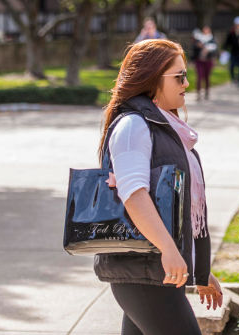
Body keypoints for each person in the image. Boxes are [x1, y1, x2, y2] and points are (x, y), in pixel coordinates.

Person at [96, 39, 222, 335]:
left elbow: (173, 208)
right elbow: (133, 194)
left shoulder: (160, 125)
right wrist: (168, 249)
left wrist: (198, 268)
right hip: (145, 272)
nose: (187, 84)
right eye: (179, 76)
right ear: (152, 78)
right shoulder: (133, 126)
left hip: (155, 271)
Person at [192, 26, 218, 101]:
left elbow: (215, 50)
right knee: (199, 77)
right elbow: (194, 48)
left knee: (207, 77)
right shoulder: (198, 38)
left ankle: (207, 92)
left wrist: (208, 50)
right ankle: (199, 93)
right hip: (199, 60)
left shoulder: (212, 39)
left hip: (208, 60)